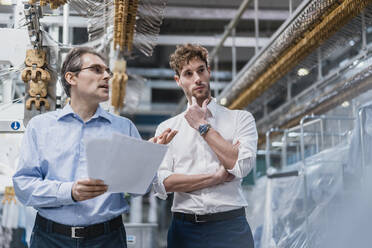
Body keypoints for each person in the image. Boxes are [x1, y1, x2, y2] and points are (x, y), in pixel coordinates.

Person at [12, 47, 176, 247]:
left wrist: (147, 158)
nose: (107, 76)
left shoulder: (123, 127)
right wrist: (69, 191)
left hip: (107, 238)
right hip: (51, 238)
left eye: (108, 71)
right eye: (97, 70)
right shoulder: (40, 127)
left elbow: (136, 190)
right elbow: (24, 187)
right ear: (71, 78)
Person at [153, 43, 258, 248]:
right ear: (178, 80)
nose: (197, 79)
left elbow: (241, 166)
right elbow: (162, 183)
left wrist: (202, 126)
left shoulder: (240, 119)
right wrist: (215, 177)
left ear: (209, 71)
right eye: (188, 73)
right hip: (185, 229)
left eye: (201, 70)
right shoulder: (167, 128)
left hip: (230, 227)